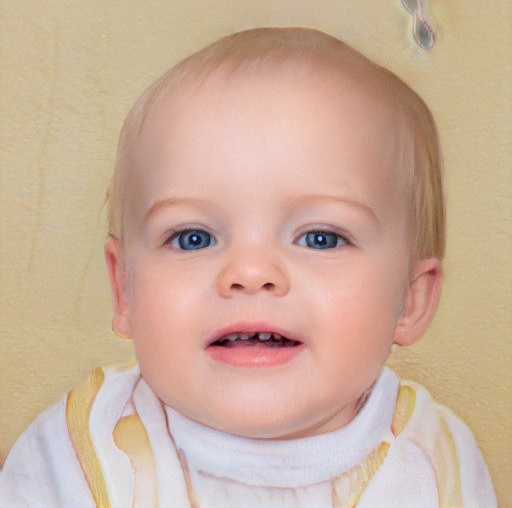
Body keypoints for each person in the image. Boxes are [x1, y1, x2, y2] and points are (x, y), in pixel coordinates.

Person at [0, 27, 496, 507]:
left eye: (320, 238)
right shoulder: (74, 457)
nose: (251, 272)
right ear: (124, 289)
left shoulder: (436, 464)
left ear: (410, 297)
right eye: (193, 238)